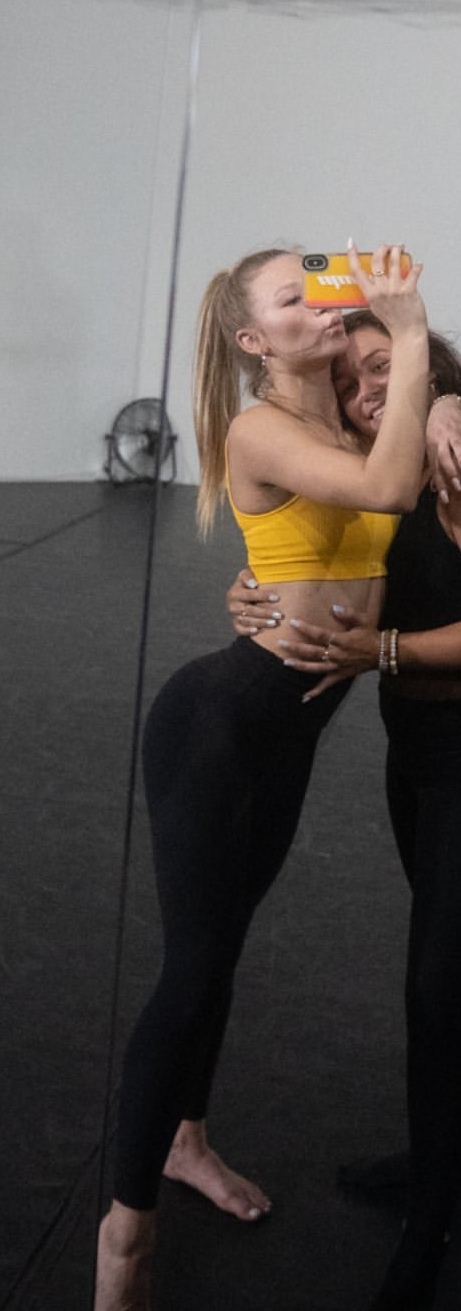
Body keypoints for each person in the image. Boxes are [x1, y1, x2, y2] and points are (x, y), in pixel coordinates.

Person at [94, 242, 429, 1311]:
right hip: (215, 731)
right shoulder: (258, 428)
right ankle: (123, 1237)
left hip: (288, 736)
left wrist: (417, 375)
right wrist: (410, 327)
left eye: (319, 290)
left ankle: (185, 1138)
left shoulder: (351, 417)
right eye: (296, 297)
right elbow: (387, 487)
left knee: (223, 947)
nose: (323, 307)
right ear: (253, 338)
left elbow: (376, 499)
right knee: (191, 969)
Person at [227, 312, 461, 1311]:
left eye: (383, 366)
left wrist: (385, 653)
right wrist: (254, 591)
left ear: (425, 369)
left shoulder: (451, 453)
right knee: (443, 981)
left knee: (437, 989)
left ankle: (433, 1218)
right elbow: (318, 566)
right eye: (349, 376)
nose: (364, 387)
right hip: (420, 760)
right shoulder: (380, 473)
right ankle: (437, 1156)